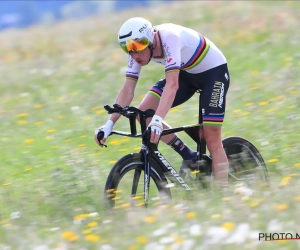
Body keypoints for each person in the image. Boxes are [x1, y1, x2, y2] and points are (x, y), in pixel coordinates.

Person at [94, 17, 230, 187]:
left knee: (211, 138)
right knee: (144, 113)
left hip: (213, 73)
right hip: (186, 72)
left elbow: (172, 86)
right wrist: (109, 124)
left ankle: (223, 196)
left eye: (137, 47)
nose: (134, 54)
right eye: (127, 48)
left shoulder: (170, 38)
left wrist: (158, 121)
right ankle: (189, 156)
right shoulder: (136, 51)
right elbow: (128, 89)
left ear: (150, 40)